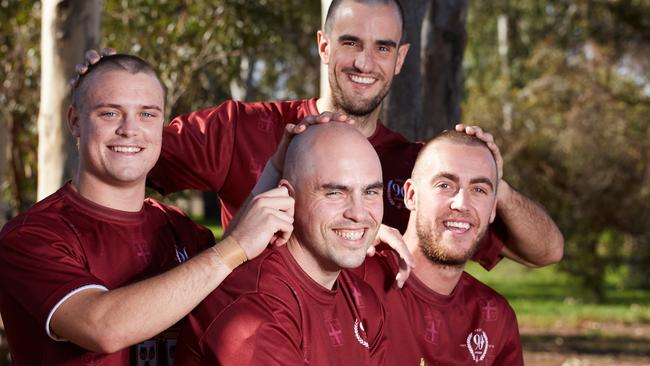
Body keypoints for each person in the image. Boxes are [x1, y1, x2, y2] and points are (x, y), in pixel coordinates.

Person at [142, 0, 564, 270]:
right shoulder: (243, 128)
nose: (365, 62)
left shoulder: (417, 169)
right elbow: (126, 154)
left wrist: (494, 180)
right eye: (350, 43)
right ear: (324, 46)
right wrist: (105, 94)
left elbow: (544, 252)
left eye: (382, 47)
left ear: (400, 59)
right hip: (261, 337)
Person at [0, 54, 293, 365]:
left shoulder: (176, 227)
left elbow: (227, 269)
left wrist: (278, 164)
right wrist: (232, 248)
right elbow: (102, 327)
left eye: (147, 114)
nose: (130, 129)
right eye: (110, 113)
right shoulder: (31, 236)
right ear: (75, 121)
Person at [175, 123, 388, 365]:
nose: (359, 214)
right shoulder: (254, 305)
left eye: (371, 192)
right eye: (335, 193)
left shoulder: (362, 299)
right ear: (289, 196)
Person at [356, 130, 524, 365]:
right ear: (411, 195)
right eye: (445, 185)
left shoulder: (495, 316)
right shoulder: (354, 283)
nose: (462, 204)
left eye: (479, 190)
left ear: (493, 209)